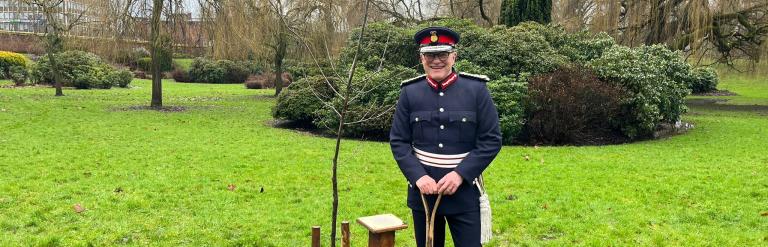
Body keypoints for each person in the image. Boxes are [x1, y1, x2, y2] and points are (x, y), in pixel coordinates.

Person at [389, 26, 502, 247]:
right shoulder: (409, 93)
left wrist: (460, 174)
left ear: (454, 56)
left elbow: (491, 139)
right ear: (421, 58)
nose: (436, 60)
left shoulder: (476, 90)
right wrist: (418, 177)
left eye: (442, 54)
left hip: (464, 192)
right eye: (430, 55)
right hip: (424, 194)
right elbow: (399, 141)